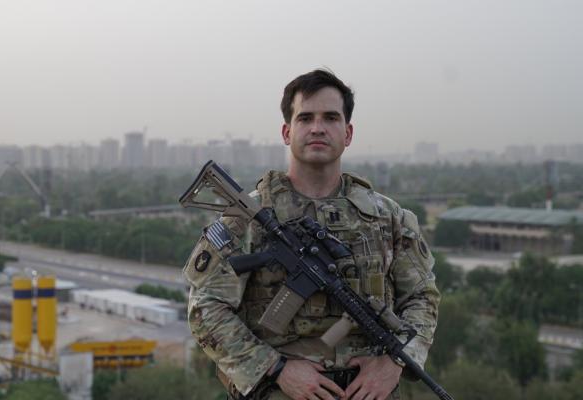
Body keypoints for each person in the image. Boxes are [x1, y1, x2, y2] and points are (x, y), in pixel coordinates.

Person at [184, 69, 440, 400]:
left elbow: (422, 298)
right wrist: (276, 368)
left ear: (347, 133)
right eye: (306, 118)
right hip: (281, 391)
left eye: (331, 118)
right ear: (287, 132)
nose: (317, 127)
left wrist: (394, 364)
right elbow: (205, 309)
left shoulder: (388, 217)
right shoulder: (246, 216)